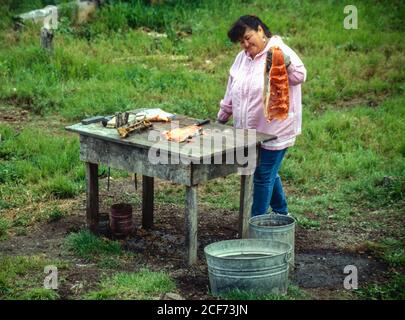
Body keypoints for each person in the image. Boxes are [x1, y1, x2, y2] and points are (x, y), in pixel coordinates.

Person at [217, 15, 307, 217]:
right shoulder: (242, 58)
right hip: (250, 130)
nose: (246, 44)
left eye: (248, 38)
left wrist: (287, 63)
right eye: (241, 42)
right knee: (266, 172)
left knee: (263, 174)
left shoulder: (277, 51)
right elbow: (231, 90)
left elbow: (300, 76)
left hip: (275, 129)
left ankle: (254, 224)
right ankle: (282, 213)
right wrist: (221, 118)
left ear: (260, 30)